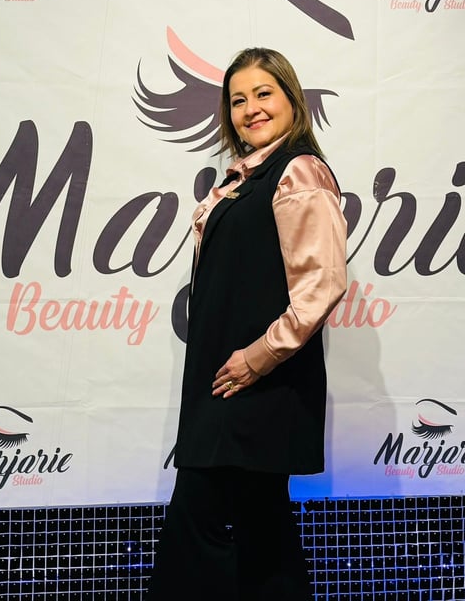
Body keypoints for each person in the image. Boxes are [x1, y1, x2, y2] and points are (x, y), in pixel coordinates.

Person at [148, 47, 348, 601]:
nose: (250, 109)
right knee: (264, 536)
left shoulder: (299, 171)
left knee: (199, 529)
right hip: (228, 382)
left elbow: (322, 284)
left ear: (292, 100)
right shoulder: (245, 179)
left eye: (263, 93)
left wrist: (257, 358)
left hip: (254, 383)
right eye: (238, 100)